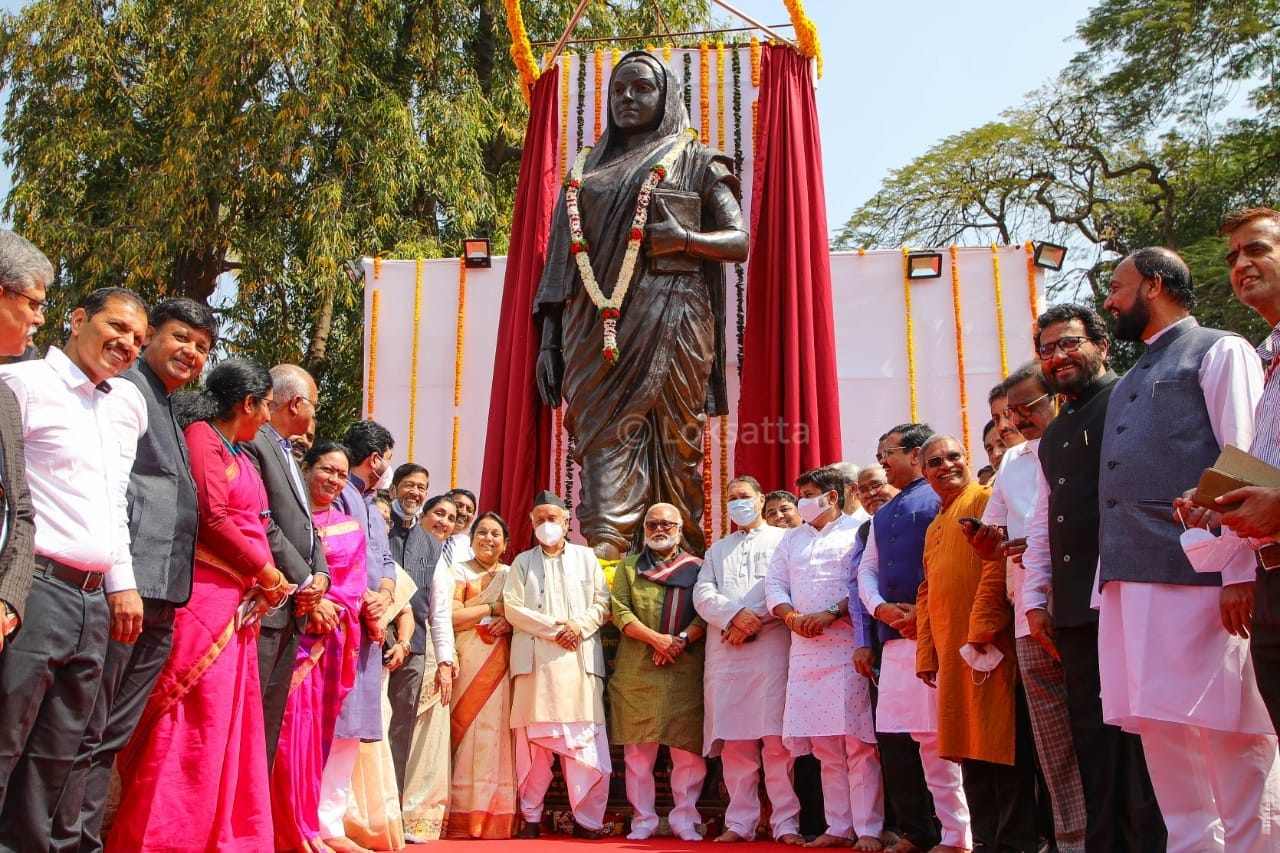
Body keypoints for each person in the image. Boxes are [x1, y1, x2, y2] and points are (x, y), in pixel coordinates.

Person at [534, 50, 749, 559]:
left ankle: (679, 572)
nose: (627, 98)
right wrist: (548, 341)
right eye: (619, 90)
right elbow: (561, 263)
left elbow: (738, 240)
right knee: (604, 446)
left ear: (666, 96)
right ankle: (607, 567)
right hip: (592, 333)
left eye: (641, 89)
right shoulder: (584, 169)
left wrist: (686, 240)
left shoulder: (696, 160)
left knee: (677, 451)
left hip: (676, 321)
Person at [1098, 247, 1278, 851]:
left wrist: (1238, 572)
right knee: (1163, 731)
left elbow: (1246, 458)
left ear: (1152, 285)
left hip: (1205, 575)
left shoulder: (1220, 349)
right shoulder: (1130, 378)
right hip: (1133, 580)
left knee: (1232, 734)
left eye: (1117, 287)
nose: (1108, 300)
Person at [108, 357, 291, 851]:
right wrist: (268, 571)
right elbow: (213, 515)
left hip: (239, 597)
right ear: (245, 403)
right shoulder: (203, 439)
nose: (269, 418)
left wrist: (264, 577)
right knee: (189, 716)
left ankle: (218, 834)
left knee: (227, 723)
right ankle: (164, 836)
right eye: (266, 407)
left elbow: (255, 521)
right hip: (205, 597)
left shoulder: (242, 453)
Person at [59, 297, 219, 852]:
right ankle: (67, 840)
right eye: (180, 339)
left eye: (202, 348)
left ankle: (82, 838)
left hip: (163, 594)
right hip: (122, 588)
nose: (190, 354)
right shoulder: (124, 393)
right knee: (83, 731)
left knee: (109, 734)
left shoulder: (169, 406)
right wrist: (118, 583)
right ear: (150, 337)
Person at [0, 287, 148, 851]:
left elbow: (113, 502)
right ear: (78, 318)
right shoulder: (21, 385)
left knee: (57, 758)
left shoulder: (125, 406)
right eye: (117, 327)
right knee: (6, 741)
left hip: (94, 603)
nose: (127, 344)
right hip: (30, 589)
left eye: (137, 338)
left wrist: (122, 583)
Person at [967, 361, 1087, 853]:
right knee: (1053, 741)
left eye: (1020, 409)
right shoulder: (1012, 464)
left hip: (1080, 602)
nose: (1010, 423)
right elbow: (994, 536)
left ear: (1055, 398)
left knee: (1098, 730)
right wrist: (992, 545)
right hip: (1026, 609)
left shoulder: (1079, 443)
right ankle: (1071, 840)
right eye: (1002, 415)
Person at [914, 434, 1035, 853]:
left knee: (1003, 747)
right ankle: (984, 841)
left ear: (967, 460)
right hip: (952, 653)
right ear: (923, 472)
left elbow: (995, 563)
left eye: (953, 456)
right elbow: (927, 591)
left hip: (988, 646)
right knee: (970, 752)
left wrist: (982, 627)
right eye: (934, 462)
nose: (945, 465)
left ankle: (1015, 843)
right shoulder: (934, 525)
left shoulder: (985, 498)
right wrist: (927, 652)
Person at [859, 424, 973, 853]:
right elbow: (867, 569)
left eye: (886, 453)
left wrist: (921, 615)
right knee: (913, 738)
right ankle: (930, 833)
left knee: (944, 739)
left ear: (913, 455)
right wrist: (880, 609)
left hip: (937, 634)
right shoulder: (882, 513)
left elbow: (950, 564)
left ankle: (960, 835)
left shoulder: (941, 500)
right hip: (895, 637)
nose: (882, 462)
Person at [766, 466, 884, 851]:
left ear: (832, 497)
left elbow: (866, 581)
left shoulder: (858, 530)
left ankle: (868, 829)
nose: (802, 501)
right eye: (800, 493)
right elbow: (775, 584)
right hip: (805, 652)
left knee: (857, 743)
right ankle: (838, 827)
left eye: (810, 493)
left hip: (848, 646)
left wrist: (832, 611)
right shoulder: (791, 540)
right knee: (826, 748)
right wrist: (791, 616)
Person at [693, 476, 802, 844]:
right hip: (727, 653)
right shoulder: (716, 550)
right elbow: (703, 592)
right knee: (736, 743)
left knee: (776, 743)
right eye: (733, 498)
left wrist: (751, 617)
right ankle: (739, 823)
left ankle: (786, 823)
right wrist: (733, 616)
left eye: (745, 497)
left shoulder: (784, 540)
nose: (739, 503)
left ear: (761, 500)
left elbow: (784, 586)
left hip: (771, 647)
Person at [271, 441, 367, 853]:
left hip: (325, 647)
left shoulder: (351, 528)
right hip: (286, 637)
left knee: (313, 740)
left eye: (342, 475)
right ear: (305, 468)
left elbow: (355, 588)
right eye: (327, 469)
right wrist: (310, 602)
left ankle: (305, 827)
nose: (334, 480)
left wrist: (331, 608)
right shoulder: (285, 517)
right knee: (285, 735)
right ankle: (276, 828)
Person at [504, 491, 612, 838]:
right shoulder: (522, 562)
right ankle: (531, 818)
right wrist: (557, 630)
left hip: (578, 663)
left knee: (584, 744)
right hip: (537, 667)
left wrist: (577, 628)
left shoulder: (586, 558)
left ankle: (588, 821)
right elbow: (513, 609)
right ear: (531, 523)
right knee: (533, 747)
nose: (547, 525)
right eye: (540, 520)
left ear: (567, 522)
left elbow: (602, 602)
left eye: (553, 519)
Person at [244, 363, 330, 768]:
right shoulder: (255, 443)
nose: (314, 415)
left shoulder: (287, 451)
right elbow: (265, 521)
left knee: (268, 724)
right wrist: (304, 577)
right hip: (269, 603)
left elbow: (307, 526)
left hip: (294, 604)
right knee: (251, 718)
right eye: (313, 405)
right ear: (296, 402)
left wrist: (322, 575)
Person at [318, 419, 398, 853]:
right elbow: (334, 555)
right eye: (386, 457)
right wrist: (366, 601)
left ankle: (332, 821)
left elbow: (384, 561)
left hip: (369, 627)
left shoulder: (370, 503)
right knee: (331, 723)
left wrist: (384, 596)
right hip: (340, 622)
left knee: (352, 730)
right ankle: (317, 823)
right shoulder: (343, 494)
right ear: (376, 458)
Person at [1215, 207, 1280, 737]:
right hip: (1270, 573)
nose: (1242, 263)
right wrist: (1216, 497)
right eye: (1234, 255)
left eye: (1257, 248)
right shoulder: (1267, 359)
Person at [610, 503, 710, 842]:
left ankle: (685, 818)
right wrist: (656, 640)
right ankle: (644, 820)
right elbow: (620, 610)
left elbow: (704, 611)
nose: (659, 529)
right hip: (638, 669)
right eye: (652, 523)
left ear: (680, 529)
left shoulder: (698, 567)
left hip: (684, 667)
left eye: (667, 523)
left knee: (687, 751)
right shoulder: (628, 567)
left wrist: (678, 641)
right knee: (638, 752)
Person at [447, 511, 518, 839]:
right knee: (465, 732)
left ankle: (493, 817)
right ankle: (460, 814)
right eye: (482, 533)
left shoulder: (511, 575)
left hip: (500, 665)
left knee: (494, 736)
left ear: (505, 544)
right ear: (472, 538)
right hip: (467, 661)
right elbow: (453, 617)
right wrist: (493, 609)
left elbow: (523, 616)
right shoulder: (458, 571)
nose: (488, 538)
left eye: (495, 534)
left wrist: (511, 621)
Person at [397, 494, 457, 842]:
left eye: (450, 518)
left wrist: (446, 661)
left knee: (427, 739)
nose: (444, 522)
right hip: (402, 646)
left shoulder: (441, 556)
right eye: (438, 513)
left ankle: (417, 815)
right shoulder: (405, 546)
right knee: (399, 730)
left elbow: (441, 616)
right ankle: (391, 808)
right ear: (423, 514)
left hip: (432, 653)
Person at [0, 229, 44, 654]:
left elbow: (21, 510)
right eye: (33, 303)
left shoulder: (6, 398)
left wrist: (9, 599)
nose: (40, 319)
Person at [387, 463, 430, 565]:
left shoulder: (432, 544)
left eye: (421, 488)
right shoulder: (374, 527)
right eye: (408, 485)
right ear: (392, 490)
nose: (415, 492)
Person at [445, 487, 477, 564]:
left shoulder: (472, 546)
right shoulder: (426, 537)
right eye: (458, 505)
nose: (463, 513)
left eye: (469, 510)